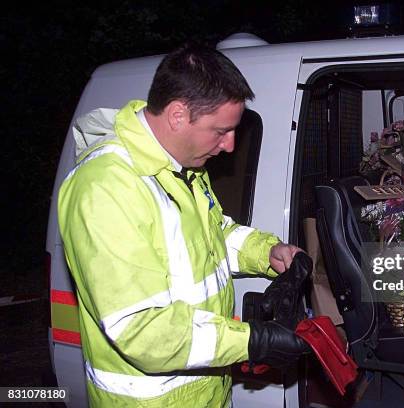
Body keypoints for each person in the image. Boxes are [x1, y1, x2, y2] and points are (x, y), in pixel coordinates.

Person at [58, 43, 309, 407]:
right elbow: (142, 330)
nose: (229, 145)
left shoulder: (182, 166)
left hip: (204, 390)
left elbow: (213, 234)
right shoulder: (105, 188)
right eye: (221, 130)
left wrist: (268, 253)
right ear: (178, 115)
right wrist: (251, 342)